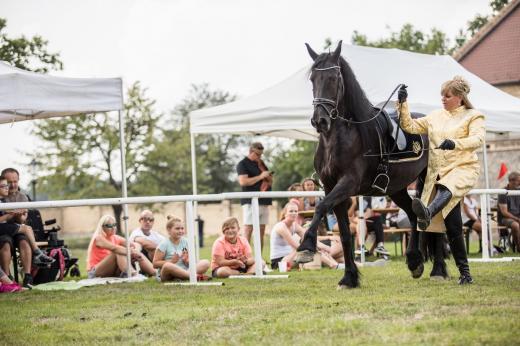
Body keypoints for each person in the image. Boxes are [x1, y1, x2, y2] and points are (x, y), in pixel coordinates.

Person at [398, 75, 485, 284]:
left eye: (447, 96)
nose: (443, 99)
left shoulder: (474, 116)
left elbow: (478, 139)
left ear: (460, 98)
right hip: (438, 173)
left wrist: (455, 144)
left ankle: (427, 211)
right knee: (453, 225)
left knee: (448, 187)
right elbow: (409, 125)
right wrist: (403, 104)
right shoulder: (435, 116)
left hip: (463, 168)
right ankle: (466, 274)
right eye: (442, 96)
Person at [0, 175, 54, 288]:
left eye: (7, 185)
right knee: (26, 228)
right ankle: (38, 253)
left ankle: (30, 270)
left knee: (25, 230)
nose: (7, 188)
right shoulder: (2, 201)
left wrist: (15, 214)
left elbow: (12, 217)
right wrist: (10, 214)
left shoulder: (4, 200)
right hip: (2, 229)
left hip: (6, 227)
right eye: (4, 185)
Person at [270, 202, 342, 271]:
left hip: (291, 256)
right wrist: (315, 247)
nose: (294, 213)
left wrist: (325, 247)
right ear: (285, 213)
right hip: (280, 262)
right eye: (291, 211)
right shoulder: (281, 227)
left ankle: (337, 264)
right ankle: (333, 265)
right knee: (308, 249)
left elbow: (310, 238)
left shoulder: (294, 225)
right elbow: (298, 247)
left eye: (295, 211)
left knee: (313, 248)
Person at [86, 215, 155, 278]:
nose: (113, 228)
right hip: (94, 272)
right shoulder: (98, 238)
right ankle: (133, 274)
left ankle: (155, 273)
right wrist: (131, 252)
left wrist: (135, 251)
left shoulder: (115, 237)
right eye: (109, 226)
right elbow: (114, 248)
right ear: (102, 227)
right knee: (118, 251)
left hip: (110, 270)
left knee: (128, 251)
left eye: (114, 225)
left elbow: (136, 244)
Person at [236, 142, 273, 250]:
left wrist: (268, 177)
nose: (259, 157)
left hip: (264, 201)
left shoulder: (261, 163)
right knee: (248, 229)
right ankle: (245, 258)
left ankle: (259, 259)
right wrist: (261, 176)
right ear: (250, 151)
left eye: (261, 154)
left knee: (261, 231)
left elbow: (269, 179)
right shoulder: (242, 164)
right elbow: (243, 181)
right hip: (250, 201)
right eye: (257, 154)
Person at [153, 215, 210, 282]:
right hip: (168, 274)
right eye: (177, 228)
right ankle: (195, 277)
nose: (180, 231)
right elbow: (155, 264)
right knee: (168, 266)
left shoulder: (186, 241)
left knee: (205, 262)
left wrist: (187, 260)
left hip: (185, 270)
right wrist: (171, 261)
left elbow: (191, 263)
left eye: (182, 228)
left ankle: (186, 276)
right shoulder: (164, 244)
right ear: (169, 230)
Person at [497, 172, 520, 250]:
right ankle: (519, 247)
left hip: (516, 217)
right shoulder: (503, 192)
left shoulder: (518, 190)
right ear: (512, 181)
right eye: (519, 180)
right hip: (504, 218)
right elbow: (504, 212)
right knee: (515, 225)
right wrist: (517, 219)